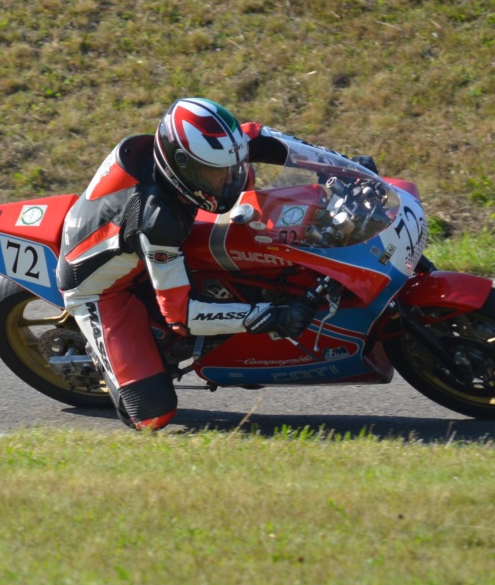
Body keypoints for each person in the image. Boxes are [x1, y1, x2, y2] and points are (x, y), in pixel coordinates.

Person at [55, 98, 355, 430]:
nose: (229, 181)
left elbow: (263, 138)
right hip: (102, 289)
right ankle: (103, 355)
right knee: (152, 415)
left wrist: (346, 168)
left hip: (141, 234)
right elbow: (181, 317)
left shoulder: (206, 152)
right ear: (180, 165)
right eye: (213, 175)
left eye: (232, 168)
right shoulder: (157, 219)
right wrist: (270, 317)